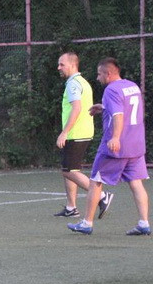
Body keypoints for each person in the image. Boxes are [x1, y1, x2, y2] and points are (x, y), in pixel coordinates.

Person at [68, 57, 150, 235]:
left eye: (99, 74)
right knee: (136, 182)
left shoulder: (111, 89)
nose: (98, 78)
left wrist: (115, 138)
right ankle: (144, 223)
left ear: (109, 73)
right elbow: (127, 109)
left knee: (96, 181)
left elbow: (119, 115)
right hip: (136, 144)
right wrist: (104, 107)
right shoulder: (132, 86)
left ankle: (86, 223)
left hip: (116, 146)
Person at [53, 52, 113, 218]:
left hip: (76, 133)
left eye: (62, 64)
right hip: (82, 131)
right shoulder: (82, 82)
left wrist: (64, 132)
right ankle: (71, 207)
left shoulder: (73, 84)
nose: (59, 67)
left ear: (73, 65)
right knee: (70, 168)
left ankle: (102, 196)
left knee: (68, 171)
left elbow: (77, 108)